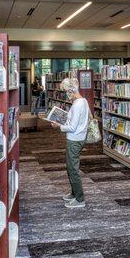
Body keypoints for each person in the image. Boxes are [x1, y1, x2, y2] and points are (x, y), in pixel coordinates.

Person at [50, 77, 89, 208]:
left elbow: (72, 127)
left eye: (66, 91)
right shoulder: (83, 101)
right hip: (78, 137)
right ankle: (74, 193)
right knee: (71, 167)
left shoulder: (77, 105)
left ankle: (80, 199)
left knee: (73, 170)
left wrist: (58, 126)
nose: (66, 94)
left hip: (75, 139)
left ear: (71, 90)